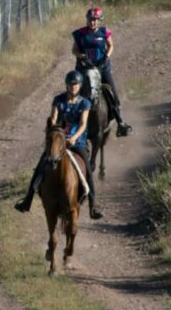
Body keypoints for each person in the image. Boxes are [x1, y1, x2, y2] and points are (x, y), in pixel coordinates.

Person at [14, 70, 104, 220]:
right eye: (70, 84)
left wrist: (74, 137)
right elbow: (53, 119)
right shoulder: (58, 100)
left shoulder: (85, 103)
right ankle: (27, 200)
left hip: (77, 142)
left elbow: (82, 124)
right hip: (58, 142)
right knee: (41, 165)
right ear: (66, 85)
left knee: (87, 169)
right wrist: (55, 133)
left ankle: (93, 205)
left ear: (80, 86)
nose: (73, 87)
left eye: (75, 85)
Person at [72, 7, 132, 137]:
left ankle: (121, 123)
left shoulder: (105, 32)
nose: (92, 22)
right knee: (73, 91)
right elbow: (74, 50)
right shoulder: (80, 33)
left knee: (112, 93)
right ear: (87, 20)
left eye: (95, 20)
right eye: (90, 20)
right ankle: (67, 123)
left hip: (102, 67)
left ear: (99, 21)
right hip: (84, 68)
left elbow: (111, 45)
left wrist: (106, 57)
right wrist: (81, 56)